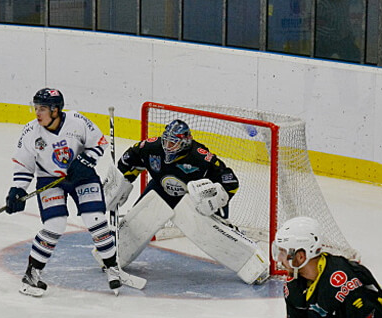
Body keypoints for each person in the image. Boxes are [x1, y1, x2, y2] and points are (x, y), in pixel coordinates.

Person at [101, 119, 269, 284]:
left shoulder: (200, 157)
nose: (167, 146)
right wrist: (119, 182)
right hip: (159, 190)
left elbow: (230, 182)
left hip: (190, 200)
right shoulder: (152, 147)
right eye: (166, 140)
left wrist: (215, 200)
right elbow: (129, 160)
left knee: (212, 234)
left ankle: (253, 265)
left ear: (184, 143)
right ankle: (111, 258)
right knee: (138, 221)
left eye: (172, 143)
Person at [5, 88, 122, 297]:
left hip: (82, 177)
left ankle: (112, 266)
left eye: (42, 109)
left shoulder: (77, 121)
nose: (37, 113)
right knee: (54, 225)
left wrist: (85, 161)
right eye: (36, 108)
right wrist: (17, 190)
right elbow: (24, 164)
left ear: (56, 110)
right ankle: (31, 275)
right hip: (50, 180)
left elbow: (98, 142)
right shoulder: (31, 132)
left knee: (95, 220)